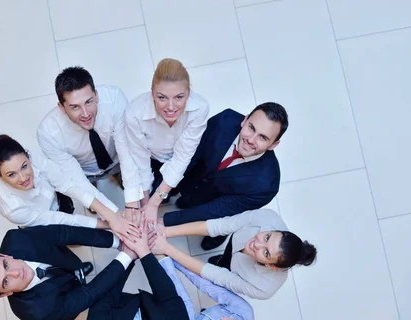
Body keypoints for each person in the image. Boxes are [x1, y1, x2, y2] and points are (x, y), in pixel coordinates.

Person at [0, 225, 134, 320]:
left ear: (4, 255)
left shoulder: (16, 239)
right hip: (58, 306)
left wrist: (117, 242)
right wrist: (127, 256)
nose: (16, 273)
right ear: (5, 294)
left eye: (7, 265)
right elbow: (88, 294)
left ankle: (78, 271)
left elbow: (65, 233)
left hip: (65, 263)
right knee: (77, 302)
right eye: (6, 281)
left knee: (76, 269)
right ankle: (76, 279)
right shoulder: (36, 311)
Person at [162, 102, 288, 251]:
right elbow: (189, 156)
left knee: (219, 224)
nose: (251, 140)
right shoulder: (225, 120)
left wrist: (165, 221)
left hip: (220, 208)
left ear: (273, 144)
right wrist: (160, 191)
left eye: (263, 138)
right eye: (251, 128)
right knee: (186, 196)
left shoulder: (266, 185)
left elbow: (217, 209)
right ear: (245, 120)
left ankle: (217, 238)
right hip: (197, 179)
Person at [0, 134, 139, 241]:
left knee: (69, 208)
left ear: (28, 157)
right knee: (62, 238)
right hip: (41, 224)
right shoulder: (13, 208)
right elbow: (58, 219)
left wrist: (111, 214)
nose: (23, 178)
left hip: (57, 198)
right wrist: (108, 224)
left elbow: (66, 184)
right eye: (11, 175)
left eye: (24, 166)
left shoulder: (33, 157)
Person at [154, 209, 317, 300]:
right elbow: (218, 226)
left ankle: (221, 260)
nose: (256, 244)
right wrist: (165, 232)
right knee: (224, 254)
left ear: (272, 266)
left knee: (220, 267)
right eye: (266, 236)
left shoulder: (264, 287)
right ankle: (221, 258)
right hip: (234, 243)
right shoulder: (267, 217)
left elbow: (216, 275)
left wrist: (167, 249)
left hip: (234, 271)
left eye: (266, 252)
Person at [121, 58, 209, 223]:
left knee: (178, 188)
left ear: (189, 93)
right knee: (143, 190)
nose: (170, 106)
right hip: (151, 157)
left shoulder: (200, 108)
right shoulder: (134, 113)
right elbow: (140, 160)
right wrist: (146, 204)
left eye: (179, 97)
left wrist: (154, 203)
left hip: (184, 157)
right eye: (162, 97)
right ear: (152, 92)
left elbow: (182, 157)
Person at [37, 66, 136, 187]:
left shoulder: (114, 99)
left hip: (118, 162)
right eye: (75, 107)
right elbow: (76, 179)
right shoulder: (48, 133)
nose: (85, 114)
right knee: (93, 200)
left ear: (96, 95)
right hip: (84, 174)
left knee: (132, 185)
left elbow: (126, 153)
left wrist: (134, 199)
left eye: (88, 102)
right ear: (62, 107)